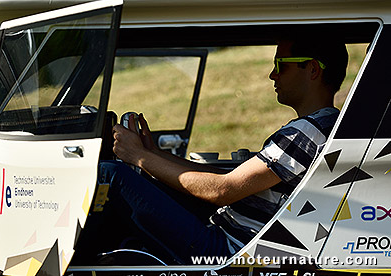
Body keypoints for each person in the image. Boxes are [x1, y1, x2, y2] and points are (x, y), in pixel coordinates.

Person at [97, 35, 348, 264]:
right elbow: (229, 179)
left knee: (111, 174)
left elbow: (223, 190)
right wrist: (154, 155)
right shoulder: (323, 126)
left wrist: (139, 157)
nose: (273, 75)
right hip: (231, 231)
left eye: (281, 64)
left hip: (230, 251)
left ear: (312, 69)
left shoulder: (308, 132)